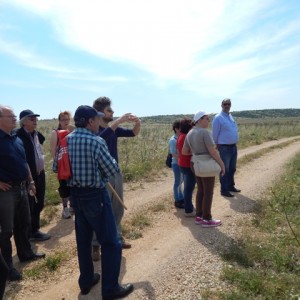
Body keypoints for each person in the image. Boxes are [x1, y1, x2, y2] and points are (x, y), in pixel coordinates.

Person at [67, 105, 134, 299]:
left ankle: (86, 280)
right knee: (111, 242)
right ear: (90, 121)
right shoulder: (96, 141)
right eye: (96, 119)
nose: (99, 122)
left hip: (76, 196)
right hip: (96, 195)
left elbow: (58, 167)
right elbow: (112, 169)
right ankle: (111, 288)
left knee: (83, 240)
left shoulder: (66, 140)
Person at [0, 105, 45, 282]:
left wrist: (31, 181)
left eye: (14, 116)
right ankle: (7, 268)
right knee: (6, 231)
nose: (14, 119)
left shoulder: (15, 138)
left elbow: (24, 162)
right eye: (10, 116)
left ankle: (25, 254)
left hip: (22, 187)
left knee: (24, 223)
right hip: (6, 191)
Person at [92, 96, 141, 254]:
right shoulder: (94, 129)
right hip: (101, 174)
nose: (113, 112)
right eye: (109, 110)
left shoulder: (112, 127)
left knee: (117, 206)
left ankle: (117, 236)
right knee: (100, 209)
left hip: (115, 172)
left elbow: (133, 133)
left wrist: (137, 123)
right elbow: (101, 138)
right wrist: (118, 121)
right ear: (100, 112)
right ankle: (95, 244)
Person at [182, 111, 225, 227]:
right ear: (200, 120)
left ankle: (199, 216)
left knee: (200, 190)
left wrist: (197, 153)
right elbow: (212, 151)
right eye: (207, 118)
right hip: (207, 164)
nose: (208, 120)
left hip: (195, 163)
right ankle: (207, 219)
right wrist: (222, 164)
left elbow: (184, 152)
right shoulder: (205, 133)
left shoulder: (190, 133)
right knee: (208, 192)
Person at [16, 110, 51, 242]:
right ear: (23, 122)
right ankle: (31, 232)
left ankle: (33, 229)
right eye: (31, 119)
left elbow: (40, 146)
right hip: (28, 176)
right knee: (30, 204)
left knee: (39, 202)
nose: (35, 121)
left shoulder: (37, 134)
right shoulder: (17, 136)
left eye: (35, 118)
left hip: (40, 173)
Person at [212, 98, 241, 197]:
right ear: (221, 105)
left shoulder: (230, 116)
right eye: (225, 104)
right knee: (224, 169)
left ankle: (230, 186)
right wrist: (216, 144)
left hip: (233, 147)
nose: (227, 106)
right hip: (224, 148)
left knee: (232, 169)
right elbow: (215, 133)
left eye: (229, 104)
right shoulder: (218, 118)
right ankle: (223, 190)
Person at [50, 111, 74, 219]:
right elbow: (53, 151)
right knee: (64, 186)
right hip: (62, 165)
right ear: (59, 120)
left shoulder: (72, 131)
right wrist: (58, 165)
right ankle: (65, 209)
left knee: (73, 185)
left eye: (67, 119)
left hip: (72, 163)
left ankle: (72, 206)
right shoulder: (55, 133)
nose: (66, 121)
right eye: (63, 119)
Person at [176, 118, 196, 216]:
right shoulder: (186, 136)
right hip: (187, 164)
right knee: (189, 188)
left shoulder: (180, 136)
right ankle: (189, 210)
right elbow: (186, 152)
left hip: (182, 163)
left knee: (187, 187)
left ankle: (189, 207)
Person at [169, 120, 184, 208]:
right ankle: (177, 200)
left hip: (180, 163)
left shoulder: (180, 138)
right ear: (176, 129)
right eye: (180, 128)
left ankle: (181, 198)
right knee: (177, 181)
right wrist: (183, 160)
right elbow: (173, 154)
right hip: (176, 163)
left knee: (180, 181)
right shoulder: (173, 140)